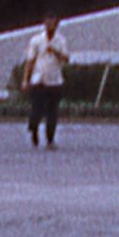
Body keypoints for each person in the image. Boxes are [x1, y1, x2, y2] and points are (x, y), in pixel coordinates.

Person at [22, 16, 70, 150]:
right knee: (36, 109)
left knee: (52, 112)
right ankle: (34, 129)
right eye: (47, 23)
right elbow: (30, 61)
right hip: (39, 80)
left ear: (56, 25)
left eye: (52, 23)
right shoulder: (36, 40)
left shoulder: (60, 40)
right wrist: (26, 80)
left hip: (54, 81)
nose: (49, 26)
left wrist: (55, 51)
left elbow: (66, 58)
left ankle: (50, 139)